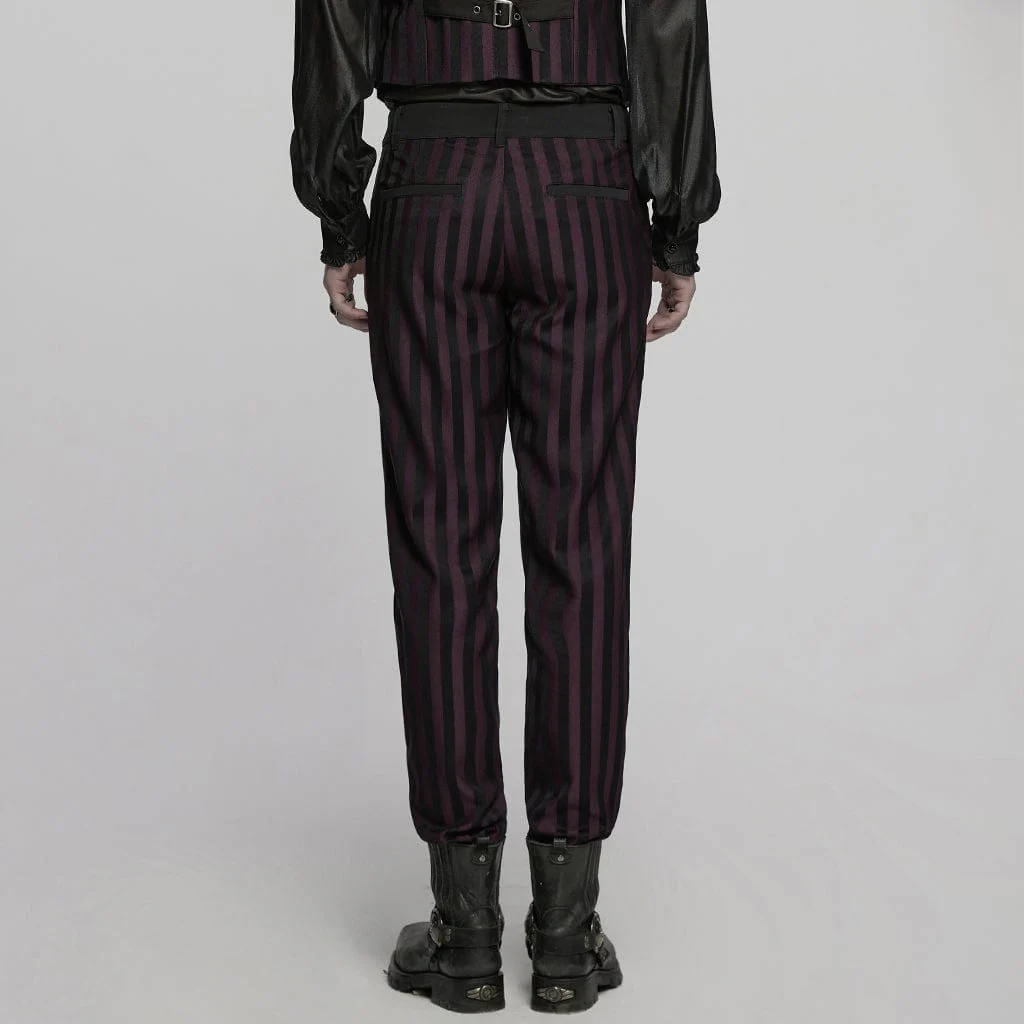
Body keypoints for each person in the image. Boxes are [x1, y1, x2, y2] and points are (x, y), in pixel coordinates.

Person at [290, 0, 720, 1012]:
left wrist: (340, 211)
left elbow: (335, 17)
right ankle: (565, 935)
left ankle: (466, 931)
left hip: (432, 185)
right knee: (584, 548)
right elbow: (667, 17)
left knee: (439, 547)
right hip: (586, 188)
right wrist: (676, 225)